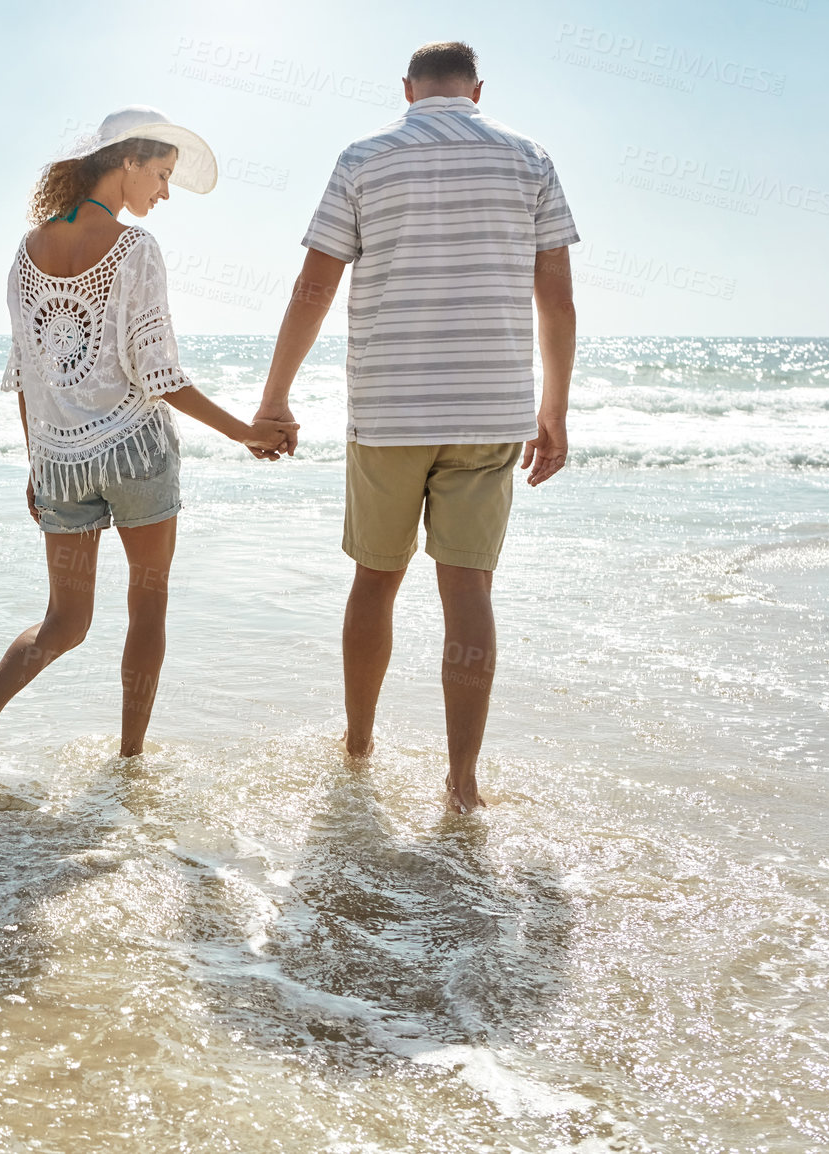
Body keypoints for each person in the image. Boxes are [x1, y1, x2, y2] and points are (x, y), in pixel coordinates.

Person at [251, 42, 580, 813]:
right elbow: (557, 299)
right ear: (477, 89)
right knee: (468, 589)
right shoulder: (528, 158)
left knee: (375, 580)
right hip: (489, 408)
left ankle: (359, 743)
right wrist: (554, 410)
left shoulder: (364, 159)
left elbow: (313, 288)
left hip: (390, 411)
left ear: (407, 90)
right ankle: (463, 782)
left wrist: (275, 399)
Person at [0, 106, 297, 802]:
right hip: (135, 452)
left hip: (62, 464)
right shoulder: (135, 250)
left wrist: (37, 463)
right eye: (161, 175)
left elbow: (30, 373)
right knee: (148, 608)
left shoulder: (27, 252)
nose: (162, 194)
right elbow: (158, 374)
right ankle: (130, 764)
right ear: (127, 161)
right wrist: (244, 431)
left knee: (64, 621)